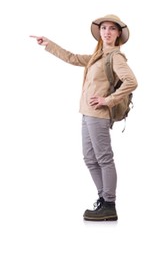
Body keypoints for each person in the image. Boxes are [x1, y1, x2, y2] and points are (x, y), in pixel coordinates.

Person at [31, 14, 137, 221]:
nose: (107, 32)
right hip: (86, 113)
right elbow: (72, 58)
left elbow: (131, 82)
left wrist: (108, 100)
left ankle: (109, 204)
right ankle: (103, 199)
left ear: (118, 35)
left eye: (112, 29)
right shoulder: (98, 55)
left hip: (99, 115)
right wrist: (48, 44)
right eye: (104, 28)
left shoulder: (115, 57)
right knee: (90, 158)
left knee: (104, 158)